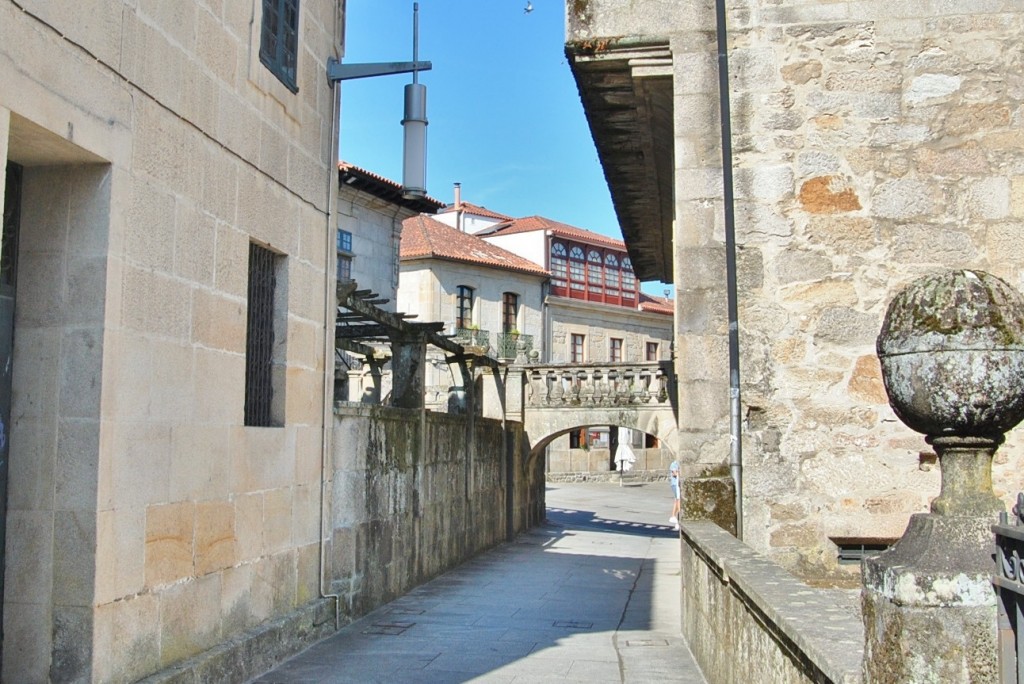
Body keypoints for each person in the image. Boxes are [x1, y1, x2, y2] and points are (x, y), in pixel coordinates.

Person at [668, 460, 681, 531]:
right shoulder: (674, 463)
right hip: (675, 485)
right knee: (678, 500)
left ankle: (674, 516)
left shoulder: (677, 463)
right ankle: (674, 515)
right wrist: (679, 473)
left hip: (677, 484)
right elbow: (674, 473)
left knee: (677, 500)